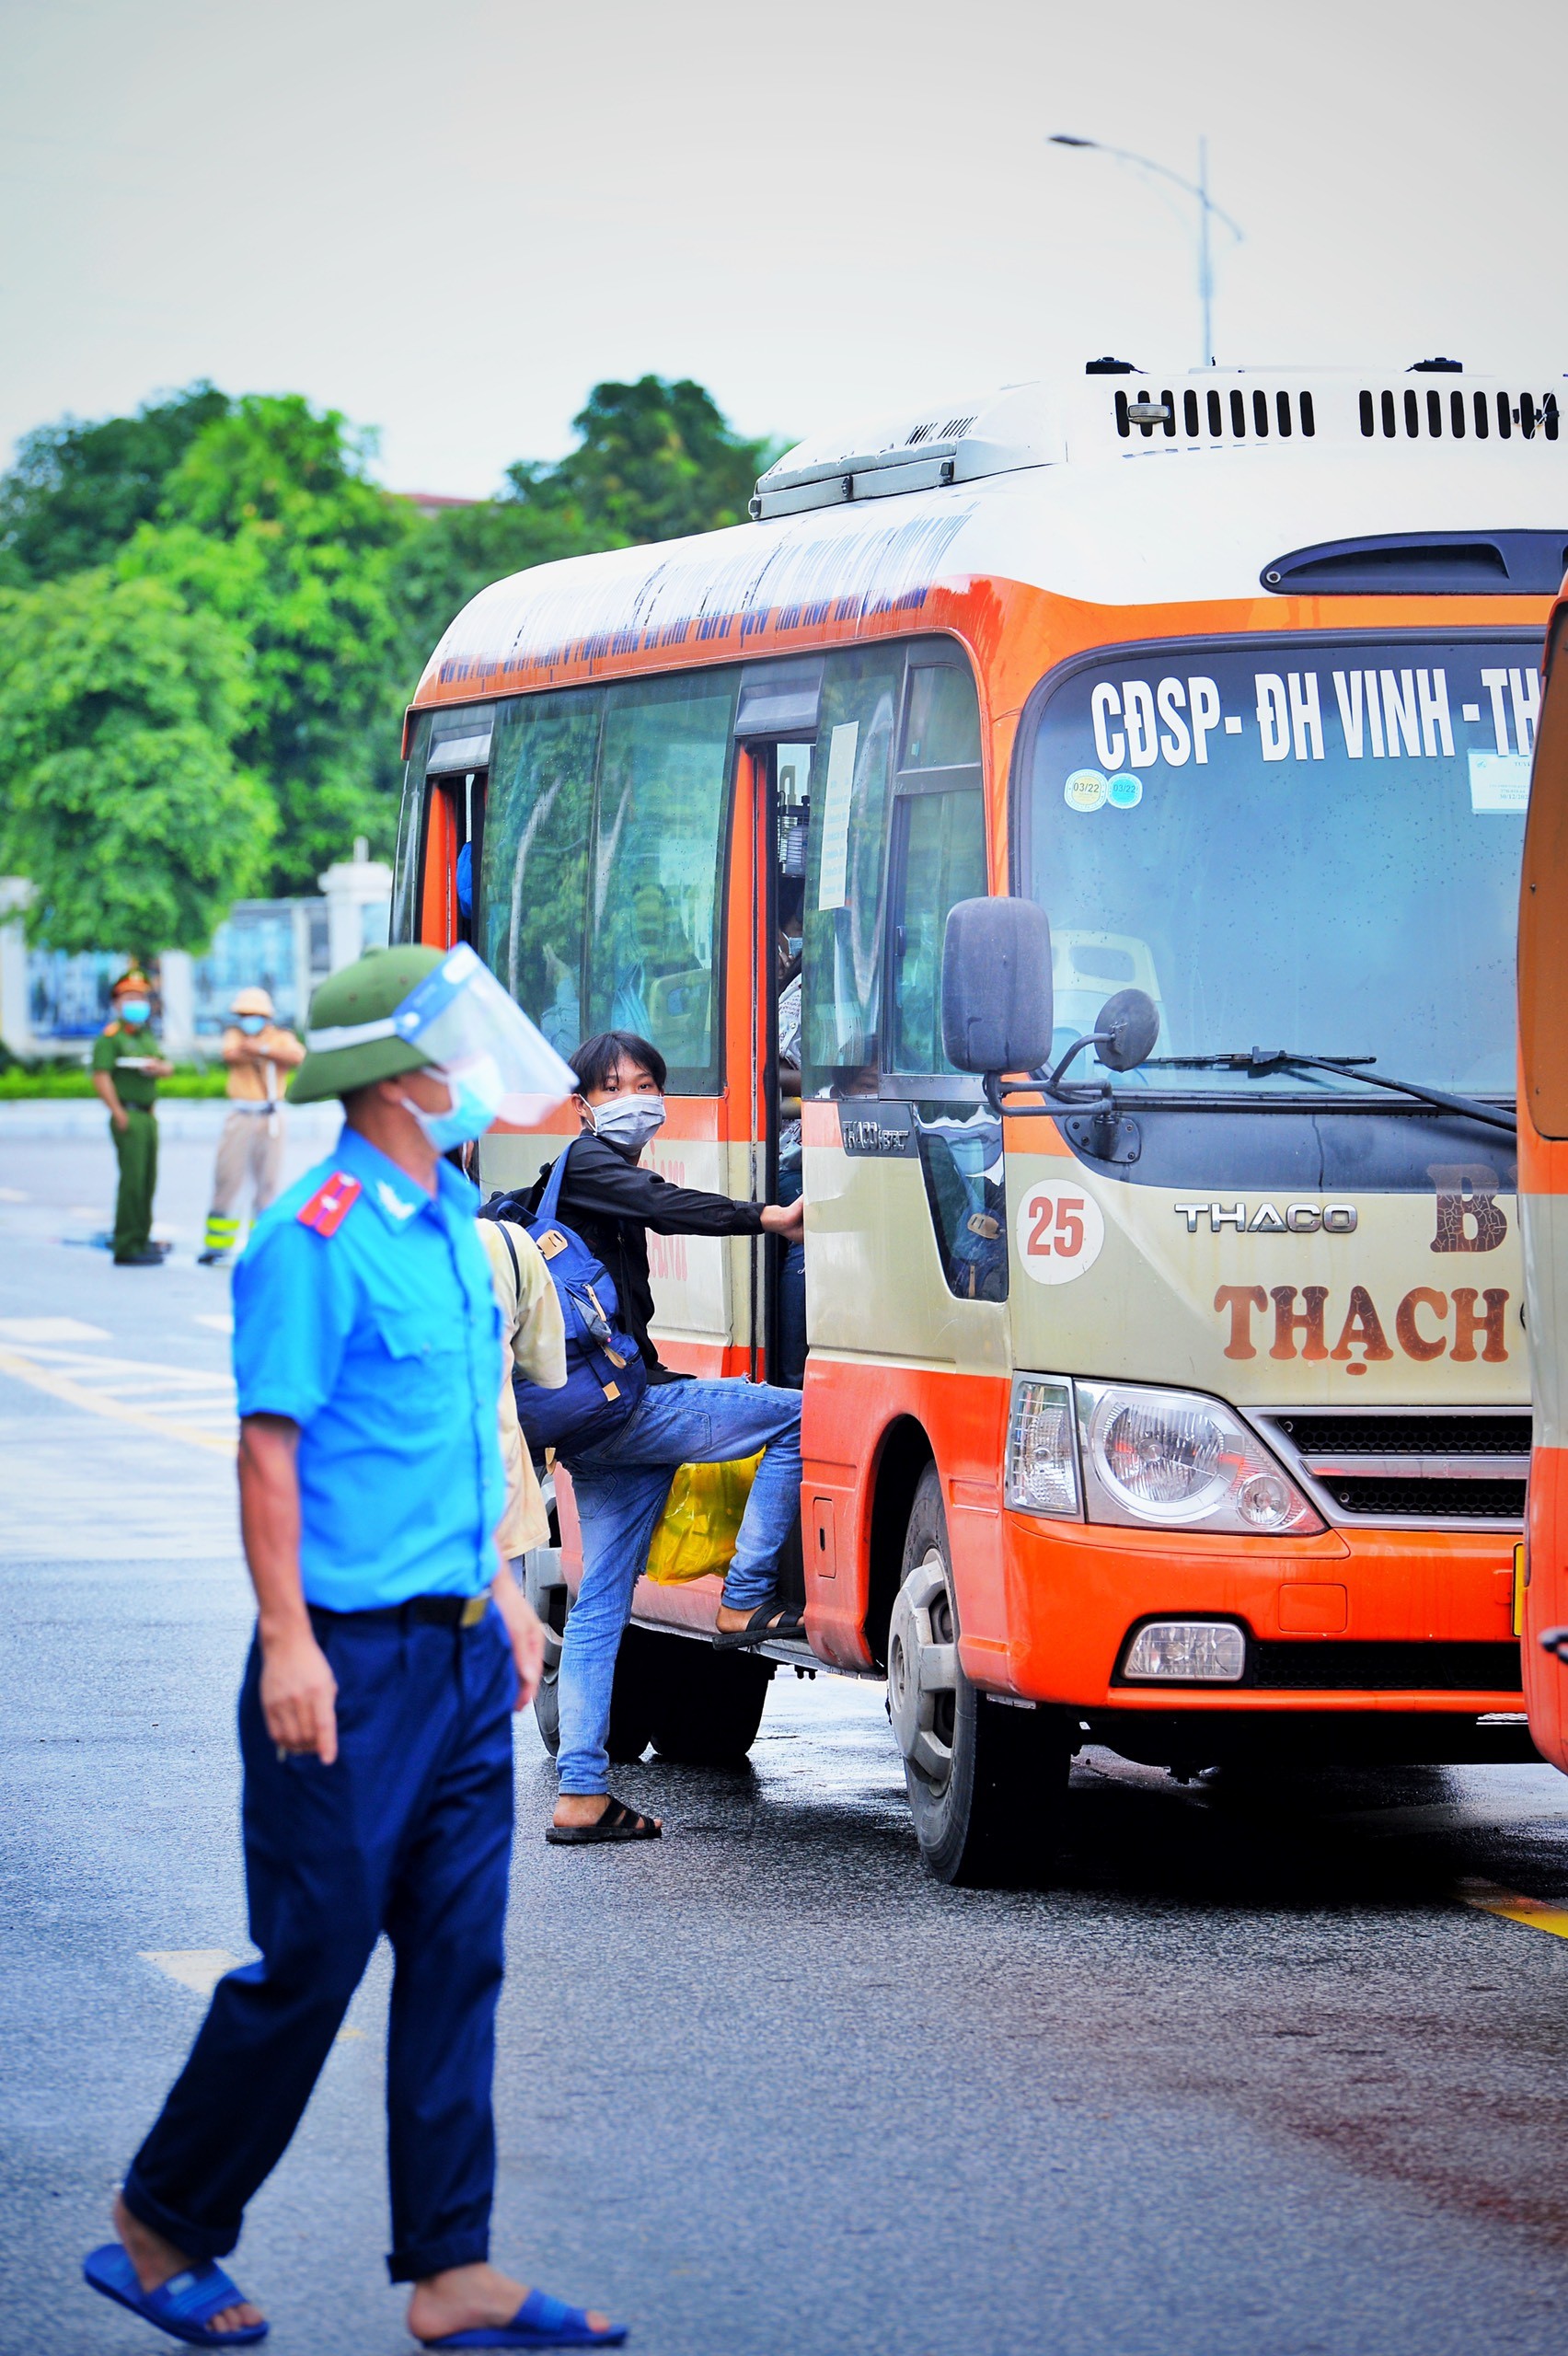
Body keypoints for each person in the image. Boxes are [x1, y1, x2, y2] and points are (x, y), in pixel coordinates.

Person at [82, 943, 624, 2353]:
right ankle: (159, 2222)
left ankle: (450, 2269)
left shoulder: (448, 1218)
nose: (475, 1078)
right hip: (342, 1662)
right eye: (452, 1050)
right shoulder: (312, 1237)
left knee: (458, 1955)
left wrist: (500, 1598)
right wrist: (284, 1643)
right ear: (398, 1074)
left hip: (456, 1658)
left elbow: (451, 1437)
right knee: (314, 1957)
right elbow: (273, 1455)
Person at [510, 1029, 805, 1846]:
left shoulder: (564, 1182)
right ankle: (745, 1595)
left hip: (588, 1431)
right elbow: (670, 1206)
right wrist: (769, 1217)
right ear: (582, 1106)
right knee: (798, 1415)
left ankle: (580, 1795)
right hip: (623, 1412)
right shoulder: (595, 1168)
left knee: (602, 1603)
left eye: (644, 1081)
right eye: (612, 1087)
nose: (632, 1096)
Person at [475, 1199, 568, 1569]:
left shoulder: (324, 1238)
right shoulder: (506, 1242)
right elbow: (548, 1372)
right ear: (466, 1149)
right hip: (493, 1501)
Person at [198, 988, 306, 1265]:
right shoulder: (235, 1035)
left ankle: (262, 1245)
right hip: (242, 1115)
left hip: (271, 1117)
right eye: (243, 1015)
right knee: (228, 1178)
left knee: (268, 1184)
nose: (248, 1020)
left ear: (266, 1016)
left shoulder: (280, 1037)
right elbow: (232, 1054)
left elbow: (297, 1056)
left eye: (253, 1015)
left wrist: (262, 1048)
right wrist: (265, 1051)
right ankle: (217, 1246)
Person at [91, 968, 174, 1266]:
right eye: (130, 996)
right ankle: (126, 1245)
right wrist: (117, 1112)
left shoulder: (144, 1035)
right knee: (132, 1183)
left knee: (147, 1182)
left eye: (141, 996)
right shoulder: (110, 1038)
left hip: (149, 1116)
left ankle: (141, 1239)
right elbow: (101, 1077)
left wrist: (158, 1068)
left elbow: (167, 1067)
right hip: (129, 1114)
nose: (137, 1001)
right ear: (117, 1002)